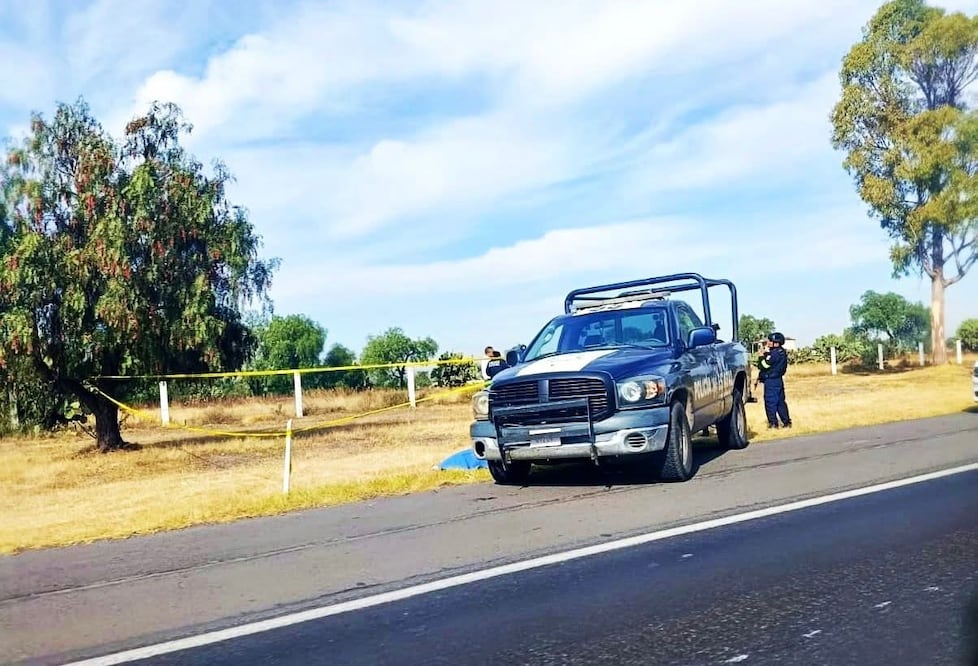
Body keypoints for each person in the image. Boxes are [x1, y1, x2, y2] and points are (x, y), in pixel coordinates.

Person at [756, 332, 791, 429]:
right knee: (780, 402)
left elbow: (764, 365)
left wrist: (761, 356)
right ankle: (786, 422)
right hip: (778, 380)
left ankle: (773, 424)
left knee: (770, 402)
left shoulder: (775, 354)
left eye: (770, 340)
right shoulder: (780, 352)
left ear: (776, 343)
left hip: (771, 381)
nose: (768, 342)